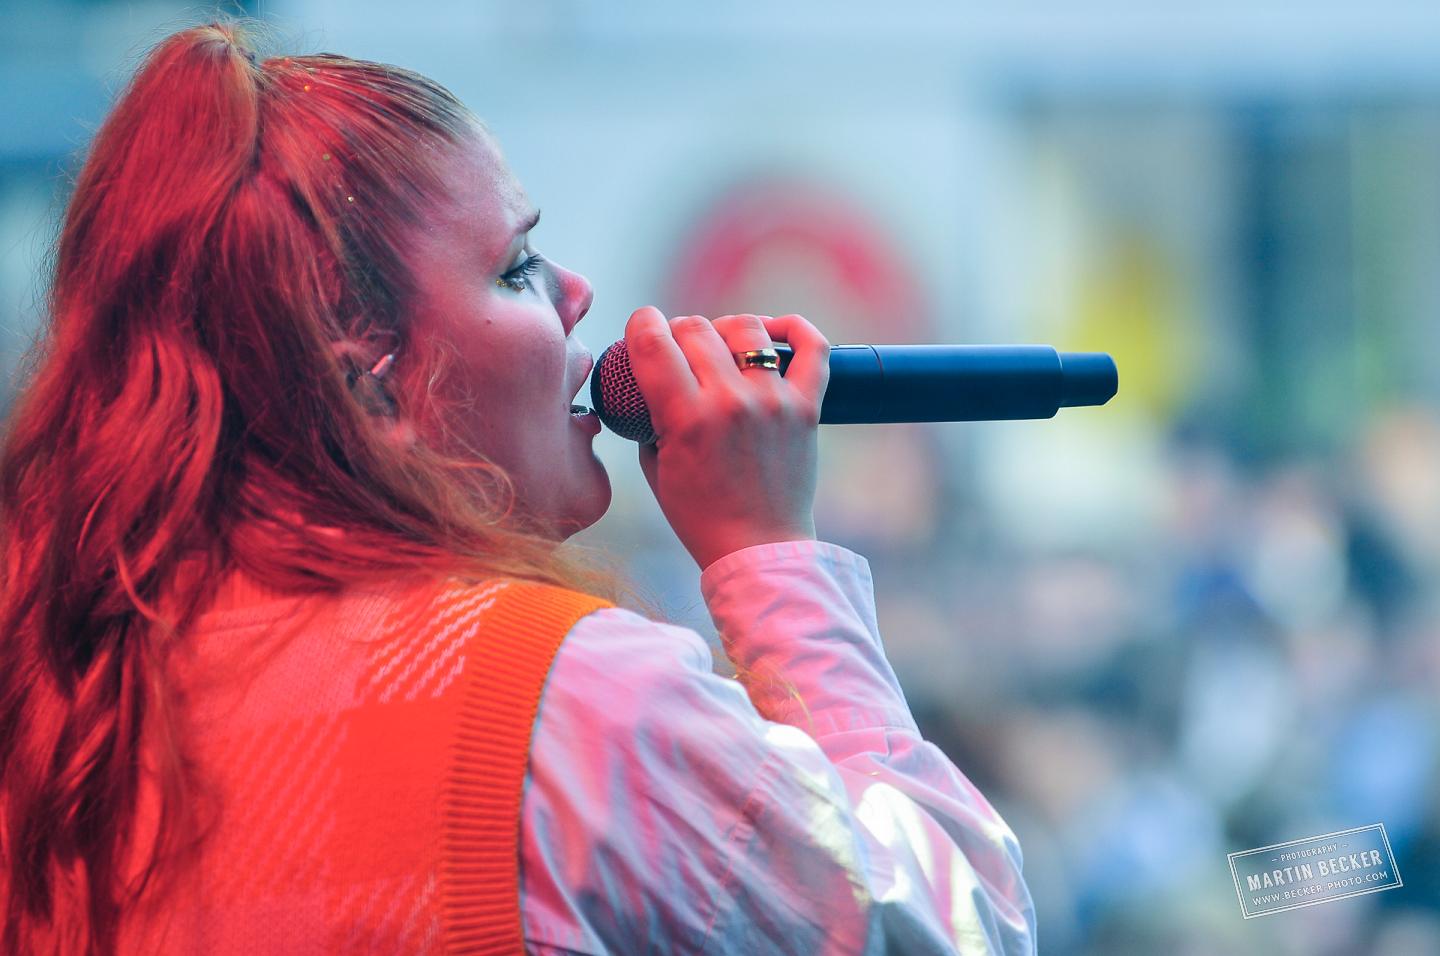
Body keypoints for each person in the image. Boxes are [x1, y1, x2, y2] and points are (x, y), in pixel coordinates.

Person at [0, 20, 1036, 955]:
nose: (576, 292)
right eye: (515, 265)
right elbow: (962, 927)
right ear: (370, 386)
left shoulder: (68, 699)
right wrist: (769, 553)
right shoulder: (565, 702)